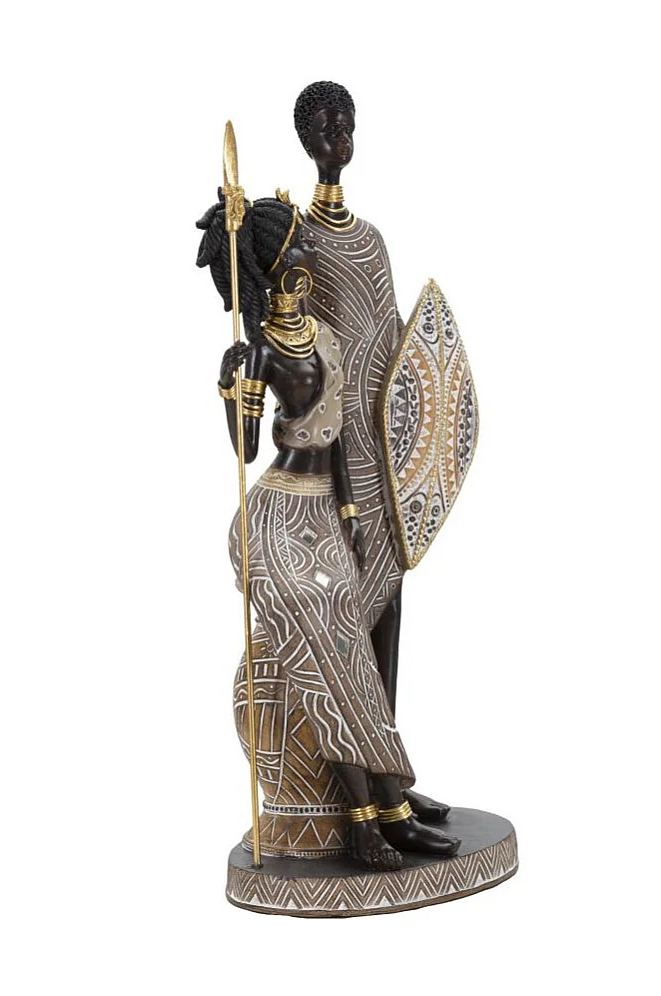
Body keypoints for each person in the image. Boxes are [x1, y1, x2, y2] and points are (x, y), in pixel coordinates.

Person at [196, 192, 459, 870]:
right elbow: (245, 450)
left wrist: (351, 516)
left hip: (325, 510)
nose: (313, 255)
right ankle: (368, 819)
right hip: (275, 516)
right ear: (283, 269)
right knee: (328, 632)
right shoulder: (257, 352)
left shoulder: (326, 338)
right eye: (301, 251)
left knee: (351, 636)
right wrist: (231, 391)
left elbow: (339, 440)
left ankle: (389, 805)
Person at [292, 81, 450, 822]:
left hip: (384, 449)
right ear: (306, 139)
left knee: (389, 614)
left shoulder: (371, 239)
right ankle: (361, 799)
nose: (341, 137)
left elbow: (390, 340)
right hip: (335, 449)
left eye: (348, 123)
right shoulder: (295, 237)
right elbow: (295, 341)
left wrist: (411, 439)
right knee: (347, 624)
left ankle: (391, 778)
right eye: (328, 126)